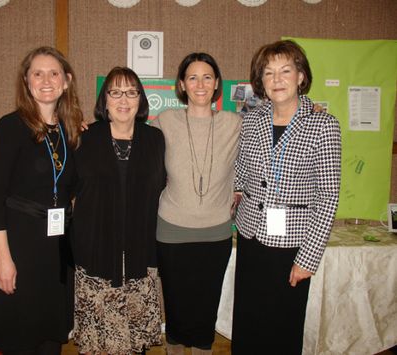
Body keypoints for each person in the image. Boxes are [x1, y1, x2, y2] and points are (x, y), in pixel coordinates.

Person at [231, 39, 341, 354]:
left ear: (301, 76)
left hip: (292, 243)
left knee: (282, 326)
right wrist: (234, 193)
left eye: (285, 70)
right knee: (248, 321)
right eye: (268, 73)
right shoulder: (251, 120)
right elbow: (241, 170)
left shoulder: (323, 125)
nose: (277, 80)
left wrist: (308, 259)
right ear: (261, 82)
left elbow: (328, 196)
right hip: (251, 236)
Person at [0, 46, 84, 355]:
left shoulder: (72, 132)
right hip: (20, 245)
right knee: (20, 335)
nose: (46, 80)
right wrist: (4, 259)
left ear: (66, 81)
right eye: (37, 74)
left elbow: (77, 187)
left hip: (56, 247)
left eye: (53, 73)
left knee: (50, 335)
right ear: (26, 81)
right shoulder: (9, 127)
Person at [150, 53, 242, 355]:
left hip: (215, 231)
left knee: (206, 302)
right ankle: (173, 349)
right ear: (181, 84)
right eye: (192, 77)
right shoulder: (165, 120)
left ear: (216, 83)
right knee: (175, 304)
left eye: (207, 77)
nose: (200, 84)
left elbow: (274, 130)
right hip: (172, 229)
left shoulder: (236, 124)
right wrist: (92, 129)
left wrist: (309, 110)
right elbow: (129, 136)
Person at [70, 67, 166, 354]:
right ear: (105, 99)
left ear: (140, 99)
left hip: (140, 250)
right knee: (99, 342)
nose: (123, 99)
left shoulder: (155, 140)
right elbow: (66, 192)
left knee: (136, 343)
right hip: (95, 251)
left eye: (131, 92)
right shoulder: (84, 138)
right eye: (115, 92)